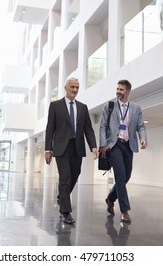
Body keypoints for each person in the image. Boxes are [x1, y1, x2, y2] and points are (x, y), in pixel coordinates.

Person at [45, 77, 99, 224]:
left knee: (75, 174)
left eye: (77, 87)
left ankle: (62, 197)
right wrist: (48, 149)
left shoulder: (82, 107)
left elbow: (88, 129)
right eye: (72, 87)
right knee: (66, 177)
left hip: (77, 146)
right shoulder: (55, 106)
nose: (75, 90)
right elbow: (50, 129)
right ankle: (66, 211)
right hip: (61, 147)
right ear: (65, 87)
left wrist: (93, 146)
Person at [99, 79, 147, 223]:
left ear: (128, 91)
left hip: (128, 145)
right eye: (117, 89)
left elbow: (141, 126)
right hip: (114, 146)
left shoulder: (136, 108)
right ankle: (125, 211)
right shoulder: (110, 106)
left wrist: (143, 138)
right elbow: (102, 126)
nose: (118, 91)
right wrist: (103, 144)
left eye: (121, 89)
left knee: (126, 177)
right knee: (120, 177)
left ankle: (110, 198)